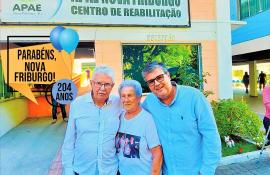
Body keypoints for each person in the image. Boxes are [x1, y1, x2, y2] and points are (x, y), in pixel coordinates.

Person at [141, 62, 221, 175]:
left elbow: (211, 134)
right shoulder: (149, 103)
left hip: (196, 172)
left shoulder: (194, 97)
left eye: (159, 77)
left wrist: (207, 170)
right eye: (151, 81)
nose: (157, 83)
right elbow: (137, 121)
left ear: (168, 75)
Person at [62, 65, 122, 175]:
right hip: (82, 170)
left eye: (107, 84)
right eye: (98, 83)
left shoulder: (119, 103)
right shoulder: (77, 104)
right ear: (91, 83)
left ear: (112, 86)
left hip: (110, 169)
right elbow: (69, 140)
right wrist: (68, 170)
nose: (102, 88)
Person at [117, 80, 163, 175]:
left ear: (139, 98)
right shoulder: (119, 117)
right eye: (123, 96)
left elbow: (157, 154)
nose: (126, 100)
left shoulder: (147, 120)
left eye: (130, 95)